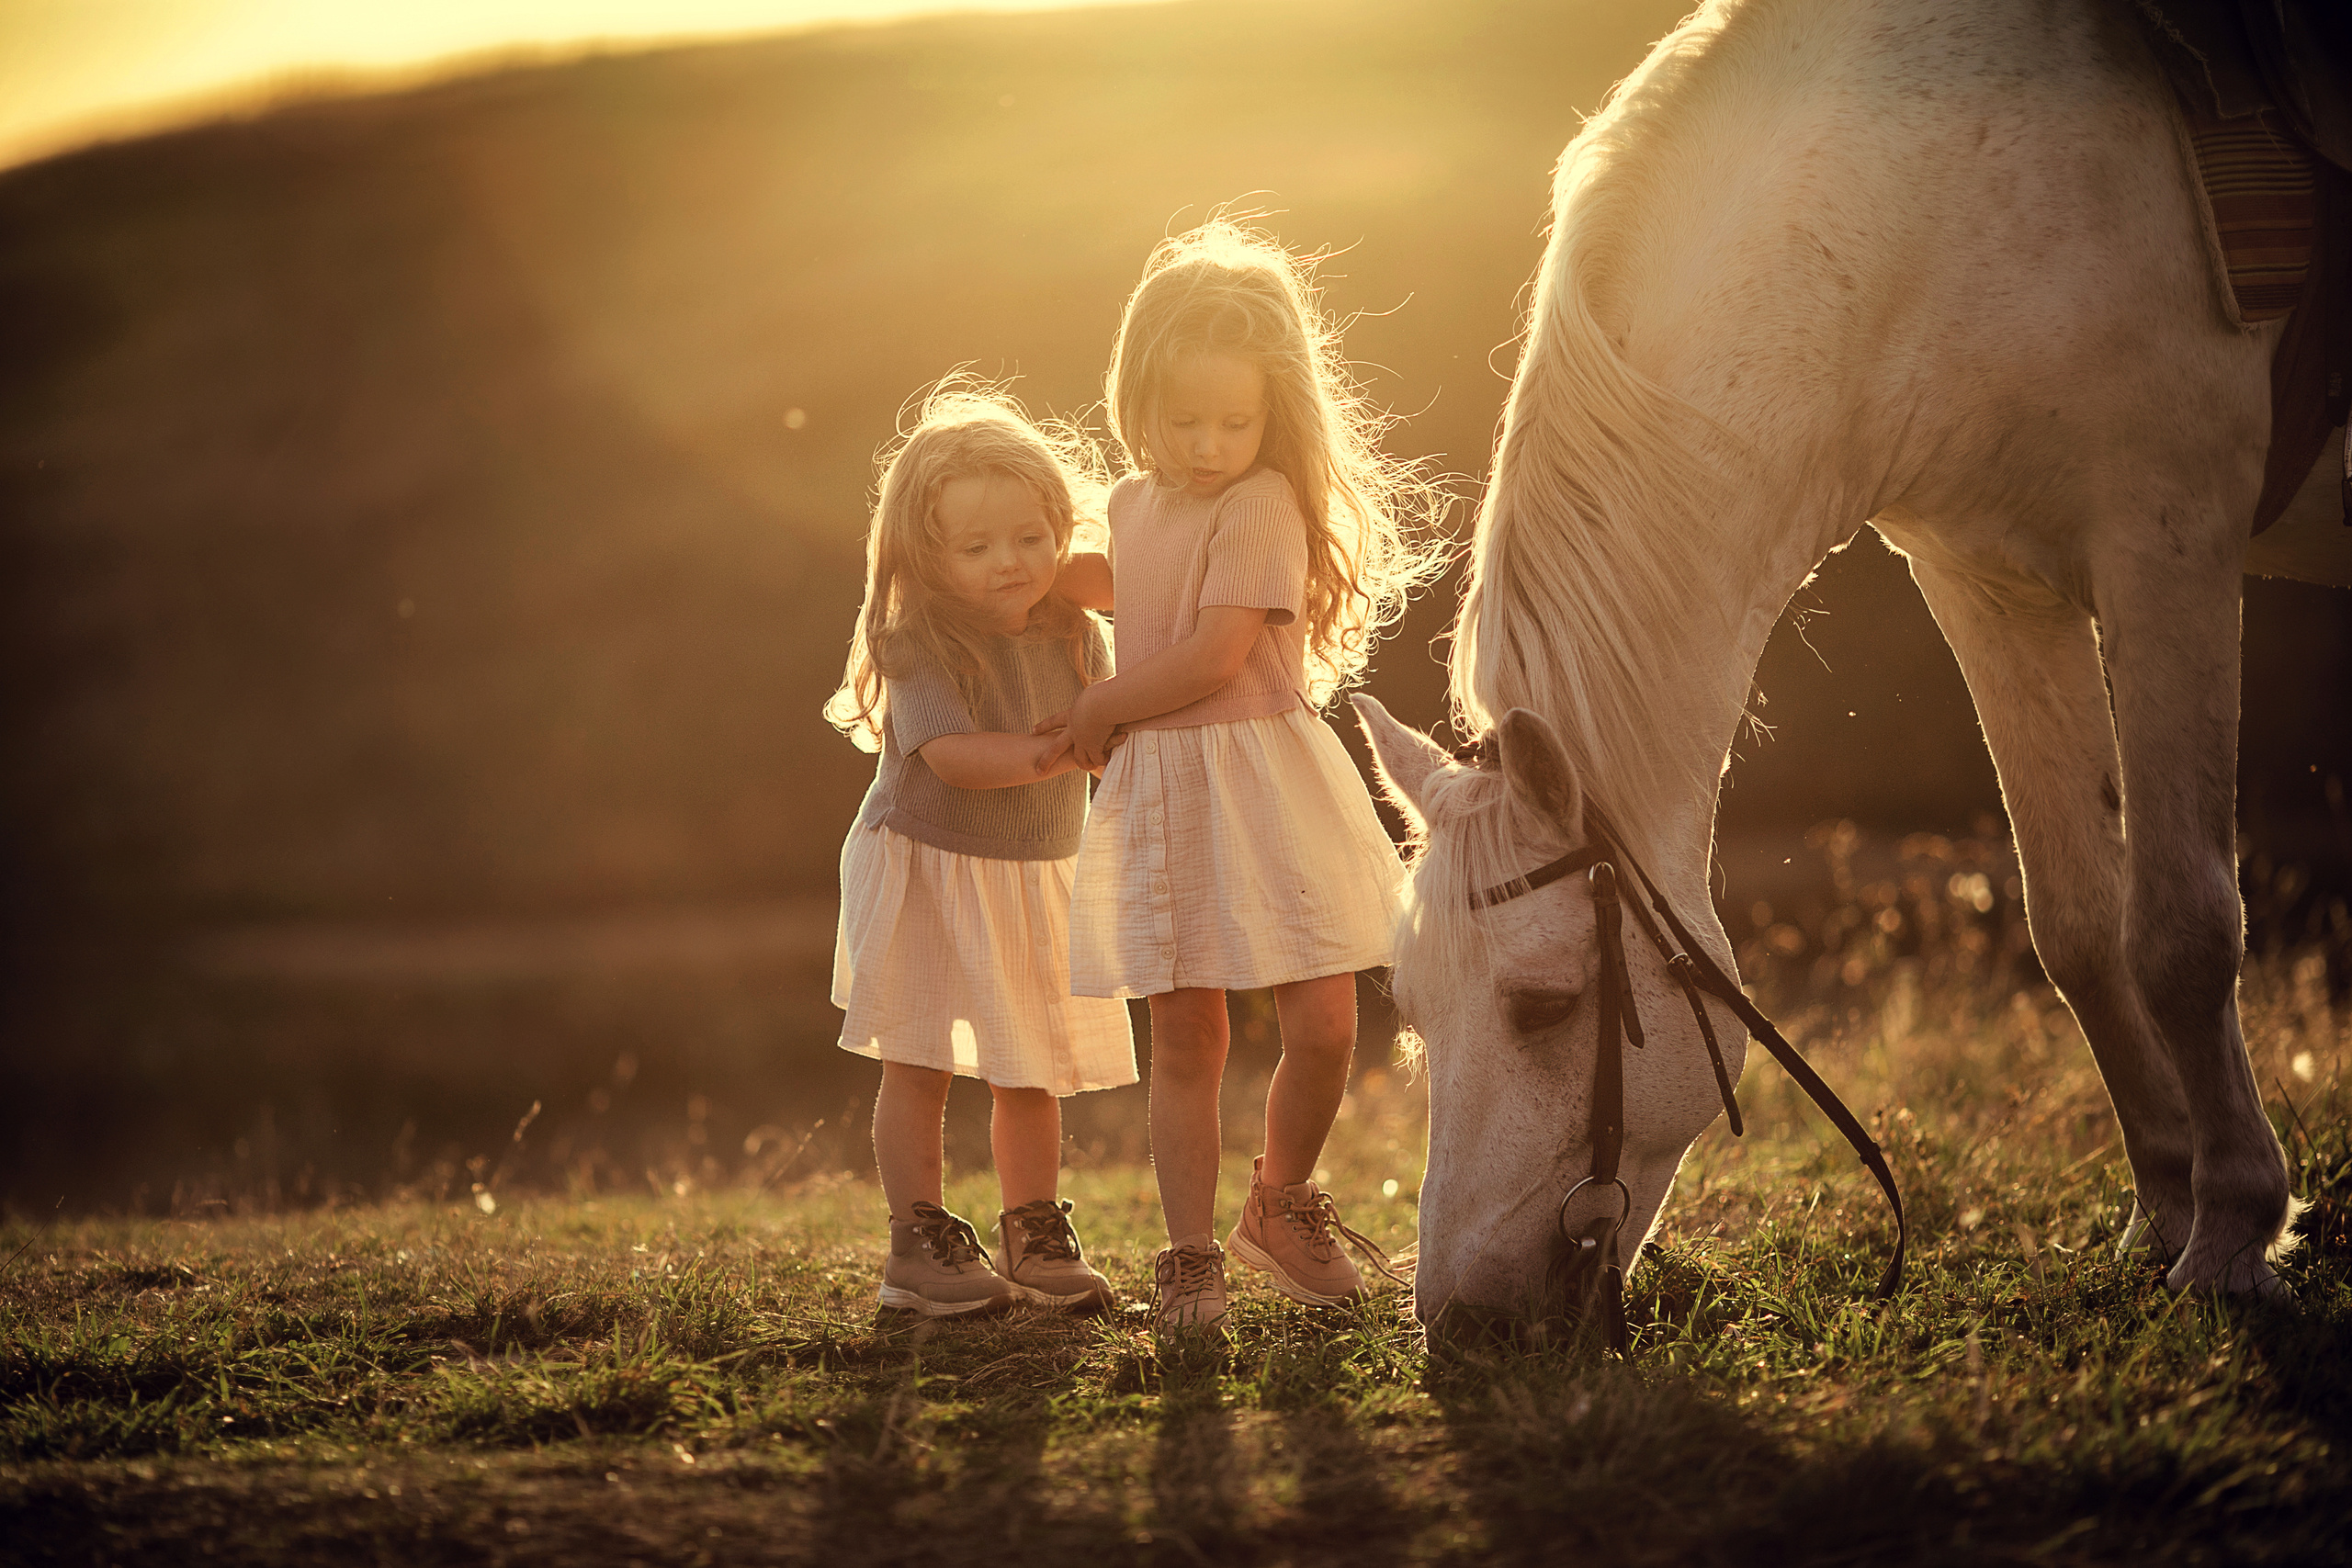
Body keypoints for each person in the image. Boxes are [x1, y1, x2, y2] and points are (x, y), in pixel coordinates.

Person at [1050, 221, 1442, 1332]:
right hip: (1166, 797)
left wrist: (1097, 708)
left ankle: (1277, 1202)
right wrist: (1034, 573)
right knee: (1187, 1038)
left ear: (1274, 415)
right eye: (1186, 420)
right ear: (1139, 402)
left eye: (1236, 419)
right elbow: (1129, 585)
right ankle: (1186, 1257)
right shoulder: (1133, 504)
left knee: (1322, 1021)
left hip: (1266, 781)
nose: (1212, 442)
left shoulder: (1262, 500)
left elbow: (1216, 653)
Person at [826, 384, 1136, 1318]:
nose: (1010, 562)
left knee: (1027, 1065)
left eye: (1031, 537)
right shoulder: (918, 639)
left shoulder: (1078, 632)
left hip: (1037, 871)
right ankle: (918, 1244)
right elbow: (955, 760)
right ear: (930, 555)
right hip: (928, 861)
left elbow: (1117, 716)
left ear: (1059, 527)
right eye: (977, 547)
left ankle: (1034, 1233)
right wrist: (1061, 747)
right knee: (918, 1063)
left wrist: (1107, 734)